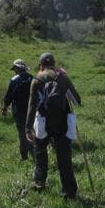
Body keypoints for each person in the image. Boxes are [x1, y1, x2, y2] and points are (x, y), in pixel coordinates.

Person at [25, 52, 81, 199]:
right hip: (62, 124)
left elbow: (32, 105)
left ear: (41, 65)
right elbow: (76, 100)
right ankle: (68, 191)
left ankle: (39, 183)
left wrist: (27, 128)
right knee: (64, 158)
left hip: (43, 123)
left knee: (40, 153)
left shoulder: (37, 79)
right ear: (54, 64)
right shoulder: (62, 78)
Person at [2, 58, 34, 160]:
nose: (14, 70)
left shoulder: (14, 80)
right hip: (31, 109)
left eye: (14, 68)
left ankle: (27, 156)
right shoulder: (32, 78)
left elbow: (9, 96)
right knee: (30, 131)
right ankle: (33, 154)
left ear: (17, 68)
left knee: (22, 133)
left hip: (18, 110)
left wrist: (5, 108)